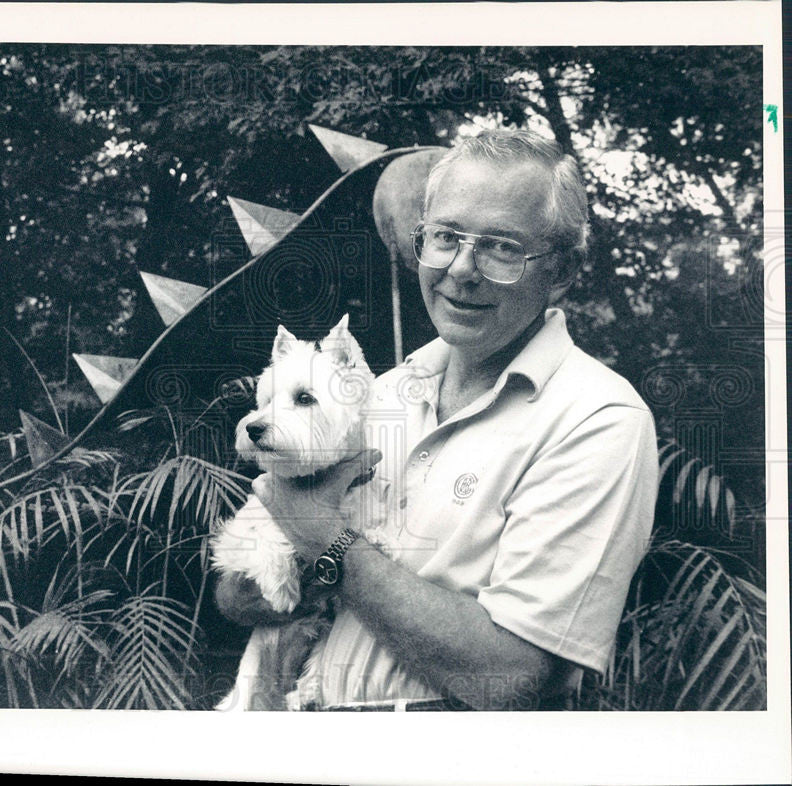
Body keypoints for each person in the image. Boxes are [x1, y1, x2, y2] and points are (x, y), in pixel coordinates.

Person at [215, 128, 659, 711]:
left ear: (562, 271)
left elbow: (516, 676)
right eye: (445, 237)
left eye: (501, 247)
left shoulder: (596, 420)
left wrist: (323, 538)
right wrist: (266, 563)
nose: (461, 269)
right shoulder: (377, 394)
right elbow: (235, 597)